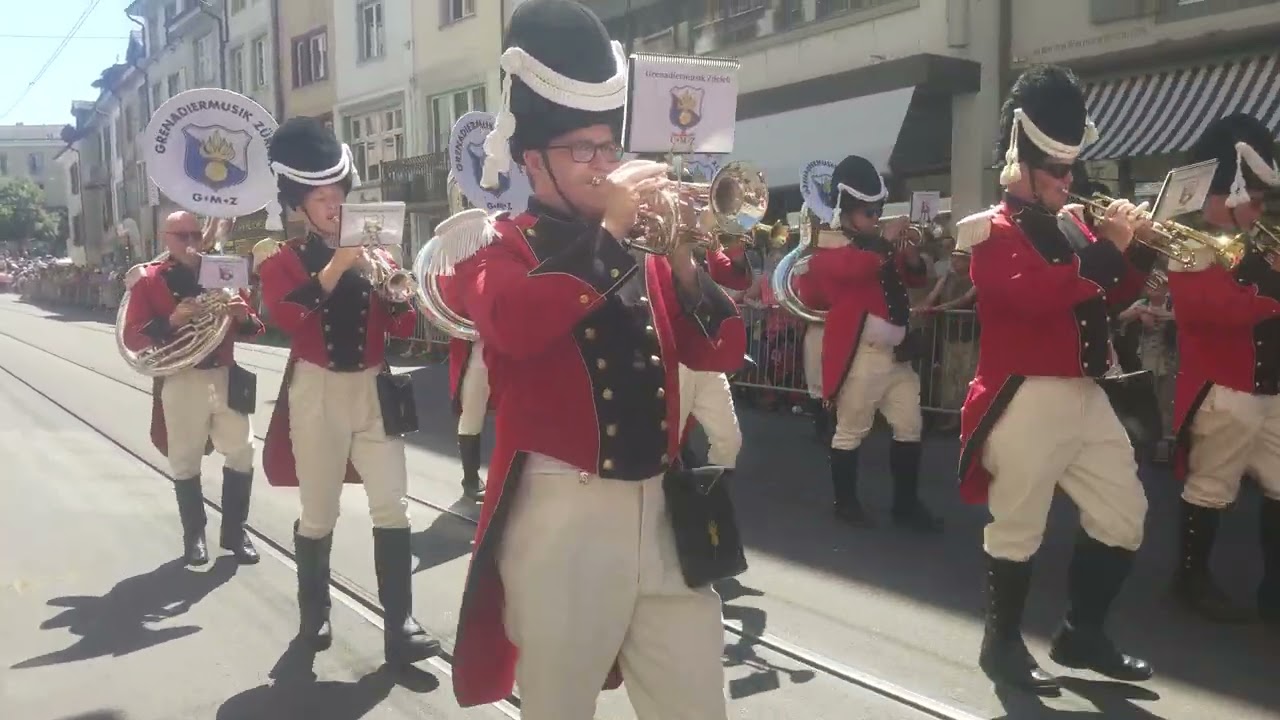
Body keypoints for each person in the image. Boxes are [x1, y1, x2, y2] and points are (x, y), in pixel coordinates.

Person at [448, 1, 747, 717]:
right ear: (533, 159)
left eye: (606, 149)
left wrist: (683, 265)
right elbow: (515, 326)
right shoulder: (501, 245)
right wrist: (613, 235)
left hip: (663, 513)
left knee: (698, 705)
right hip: (563, 523)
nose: (603, 167)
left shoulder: (637, 249)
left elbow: (721, 347)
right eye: (581, 151)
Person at [956, 64, 1155, 695]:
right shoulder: (991, 230)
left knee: (1125, 515)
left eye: (1071, 170)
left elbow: (1112, 290)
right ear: (1021, 164)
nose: (1070, 182)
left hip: (1085, 390)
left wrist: (1139, 246)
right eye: (1058, 171)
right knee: (1018, 527)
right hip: (1023, 394)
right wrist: (1107, 250)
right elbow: (1035, 297)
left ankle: (1082, 632)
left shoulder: (1074, 226)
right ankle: (1001, 644)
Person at [256, 117, 440, 666]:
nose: (334, 204)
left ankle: (400, 624)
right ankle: (314, 615)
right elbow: (286, 316)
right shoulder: (284, 258)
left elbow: (404, 333)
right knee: (320, 512)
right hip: (317, 391)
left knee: (394, 506)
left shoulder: (376, 253)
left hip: (375, 387)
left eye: (338, 192)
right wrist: (340, 263)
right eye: (320, 197)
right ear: (299, 206)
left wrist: (400, 294)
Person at [1165, 113, 1280, 624]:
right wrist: (1272, 295)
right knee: (1212, 487)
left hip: (1272, 387)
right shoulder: (1188, 242)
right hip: (1225, 387)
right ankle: (1190, 579)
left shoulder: (1255, 241)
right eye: (1252, 200)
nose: (1259, 212)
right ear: (1226, 194)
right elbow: (1209, 311)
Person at [804, 154, 939, 531]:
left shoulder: (874, 246)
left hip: (897, 357)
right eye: (868, 211)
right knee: (850, 430)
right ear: (846, 211)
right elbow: (854, 268)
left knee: (910, 426)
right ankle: (845, 502)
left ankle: (906, 505)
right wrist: (886, 243)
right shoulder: (831, 246)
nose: (875, 217)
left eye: (877, 210)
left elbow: (915, 281)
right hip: (861, 358)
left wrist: (910, 254)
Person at [120, 211, 263, 567]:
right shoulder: (150, 279)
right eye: (180, 235)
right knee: (184, 460)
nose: (189, 242)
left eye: (194, 235)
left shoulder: (224, 269)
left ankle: (234, 531)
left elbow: (254, 327)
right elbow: (132, 336)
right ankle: (194, 536)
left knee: (243, 452)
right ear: (165, 237)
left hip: (225, 374)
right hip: (182, 377)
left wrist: (243, 315)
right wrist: (171, 320)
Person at [678, 235, 753, 469]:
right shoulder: (652, 242)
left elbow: (736, 278)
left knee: (728, 442)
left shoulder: (703, 243)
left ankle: (713, 499)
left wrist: (733, 243)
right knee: (668, 443)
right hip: (675, 353)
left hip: (708, 355)